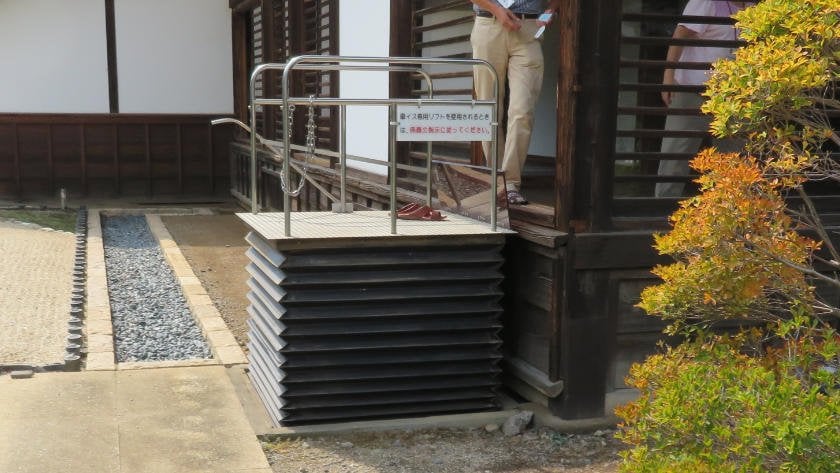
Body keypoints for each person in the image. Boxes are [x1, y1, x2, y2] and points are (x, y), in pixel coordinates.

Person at [655, 0, 753, 197]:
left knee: (732, 161)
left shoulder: (753, 8)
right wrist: (668, 77)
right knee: (675, 156)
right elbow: (680, 36)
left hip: (733, 97)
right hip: (692, 92)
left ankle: (728, 218)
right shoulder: (706, 2)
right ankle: (663, 213)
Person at [471, 0, 562, 205]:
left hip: (528, 28)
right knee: (489, 109)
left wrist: (552, 9)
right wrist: (496, 9)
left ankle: (510, 183)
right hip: (488, 24)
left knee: (522, 111)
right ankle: (499, 182)